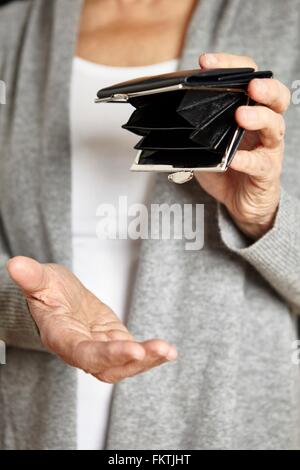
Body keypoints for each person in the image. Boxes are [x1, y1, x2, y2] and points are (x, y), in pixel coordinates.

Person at [0, 0, 299, 450]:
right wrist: (29, 309)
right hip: (36, 430)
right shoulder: (9, 35)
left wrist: (262, 215)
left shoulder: (289, 24)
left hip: (236, 431)